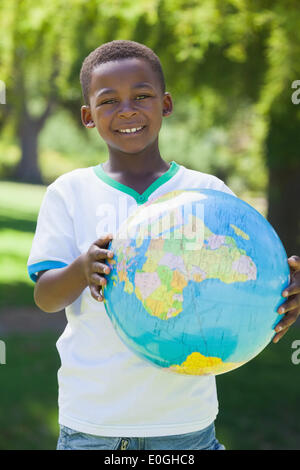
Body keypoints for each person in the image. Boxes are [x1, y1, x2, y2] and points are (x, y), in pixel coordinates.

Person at [27, 40, 300, 451]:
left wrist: (280, 292)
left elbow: (243, 277)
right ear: (87, 115)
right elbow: (46, 297)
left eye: (142, 96)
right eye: (109, 101)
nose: (128, 111)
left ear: (166, 104)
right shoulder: (69, 192)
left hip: (186, 426)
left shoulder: (208, 194)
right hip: (94, 425)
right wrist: (82, 269)